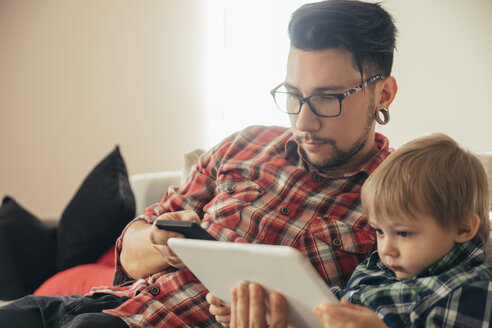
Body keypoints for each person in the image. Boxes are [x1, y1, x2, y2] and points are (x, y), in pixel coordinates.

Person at [0, 0, 398, 327]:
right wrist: (160, 241)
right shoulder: (247, 144)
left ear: (383, 94)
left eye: (328, 99)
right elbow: (129, 255)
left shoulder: (404, 196)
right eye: (293, 95)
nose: (303, 122)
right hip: (100, 304)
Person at [213, 134, 492, 327]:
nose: (386, 248)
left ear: (463, 227)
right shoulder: (380, 267)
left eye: (403, 233)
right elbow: (333, 305)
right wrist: (268, 309)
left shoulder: (470, 291)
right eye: (380, 232)